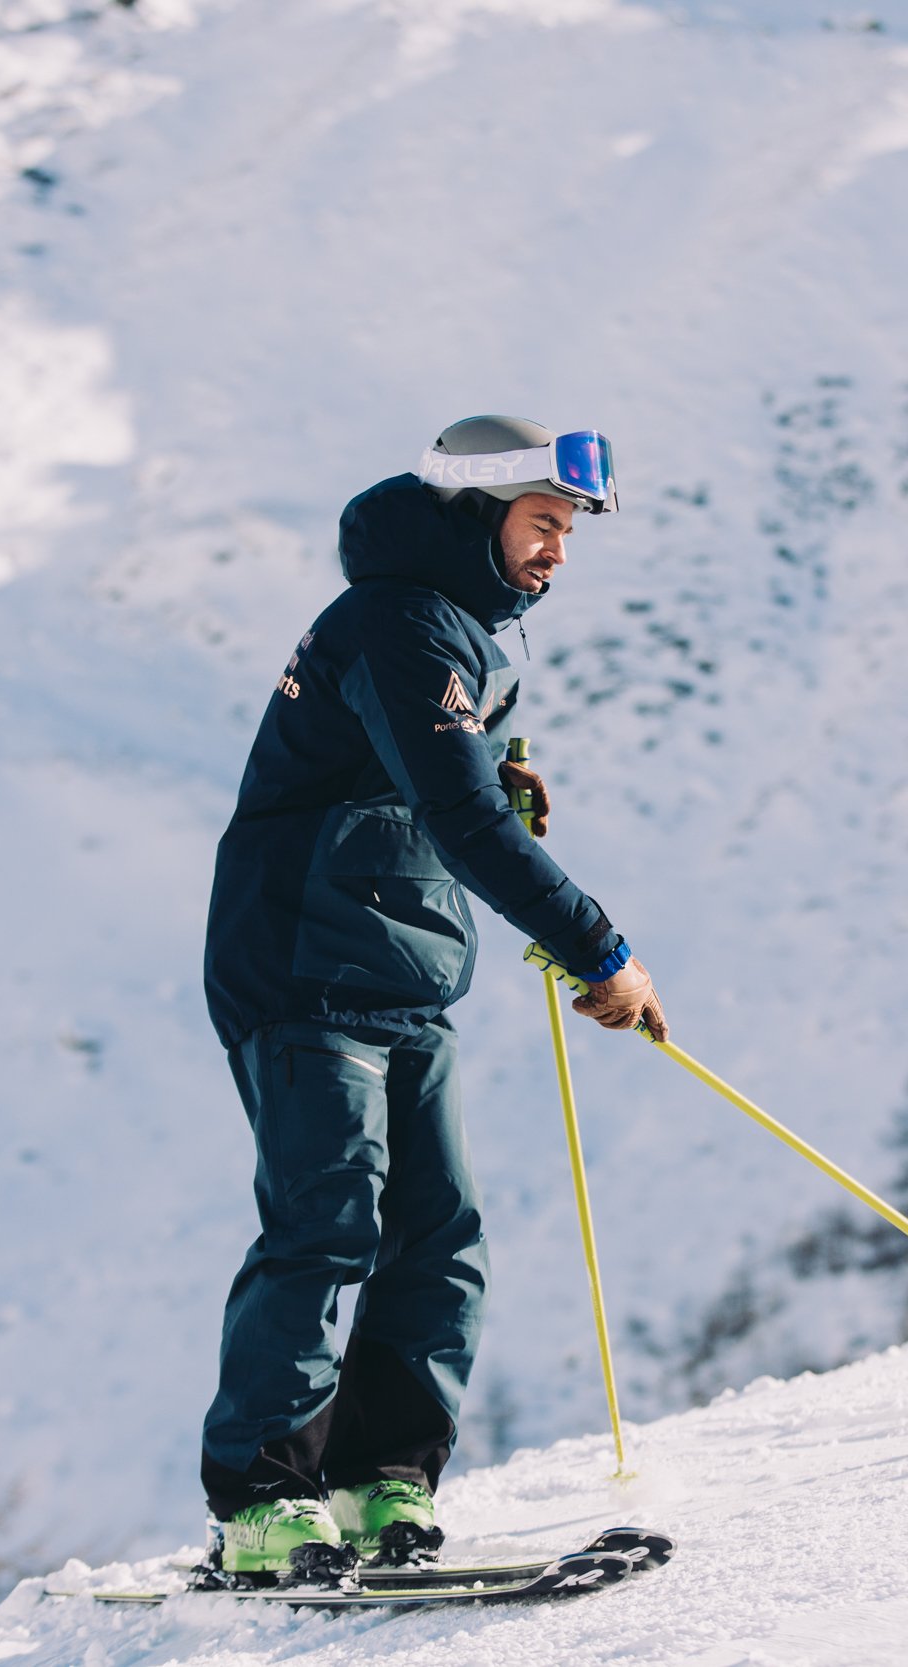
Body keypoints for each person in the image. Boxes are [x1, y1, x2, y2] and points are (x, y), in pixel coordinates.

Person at [198, 415, 672, 1577]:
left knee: (437, 1232)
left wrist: (480, 775)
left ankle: (378, 1482)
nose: (558, 551)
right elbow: (457, 820)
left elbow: (424, 785)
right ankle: (264, 1499)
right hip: (305, 963)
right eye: (543, 523)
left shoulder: (452, 630)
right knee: (328, 1222)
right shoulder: (398, 623)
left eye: (567, 531)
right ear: (476, 512)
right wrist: (597, 949)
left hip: (399, 967)